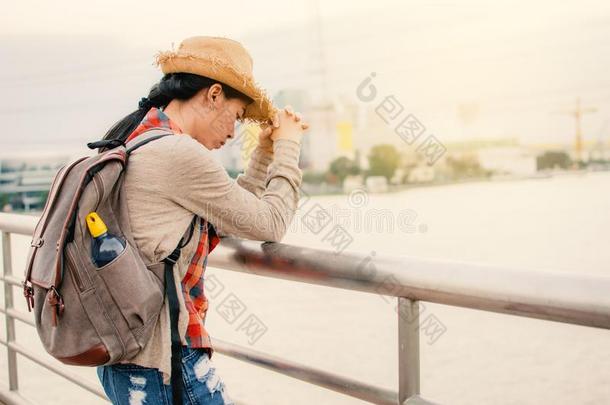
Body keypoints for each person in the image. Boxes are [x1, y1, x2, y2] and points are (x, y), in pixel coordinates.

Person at [95, 36, 308, 405]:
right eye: (237, 116)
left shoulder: (137, 137)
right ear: (213, 95)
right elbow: (271, 223)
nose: (233, 131)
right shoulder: (178, 152)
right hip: (163, 363)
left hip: (127, 356)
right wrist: (289, 147)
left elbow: (223, 213)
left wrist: (263, 152)